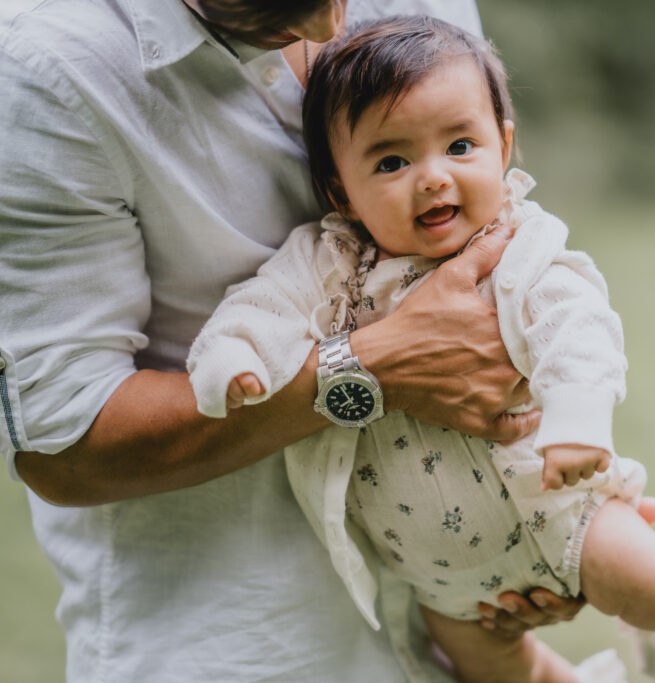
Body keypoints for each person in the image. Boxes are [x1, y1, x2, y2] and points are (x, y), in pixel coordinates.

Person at [0, 1, 599, 680]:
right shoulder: (45, 67)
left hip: (446, 629)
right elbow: (64, 447)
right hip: (247, 644)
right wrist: (371, 370)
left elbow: (496, 244)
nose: (327, 30)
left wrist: (543, 532)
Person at [187, 16, 655, 682]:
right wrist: (232, 359)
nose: (433, 177)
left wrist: (578, 420)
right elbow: (259, 308)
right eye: (392, 161)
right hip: (432, 573)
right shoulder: (330, 262)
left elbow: (578, 326)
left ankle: (652, 645)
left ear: (505, 146)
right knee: (496, 672)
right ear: (338, 189)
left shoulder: (518, 246)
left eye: (460, 145)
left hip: (549, 504)